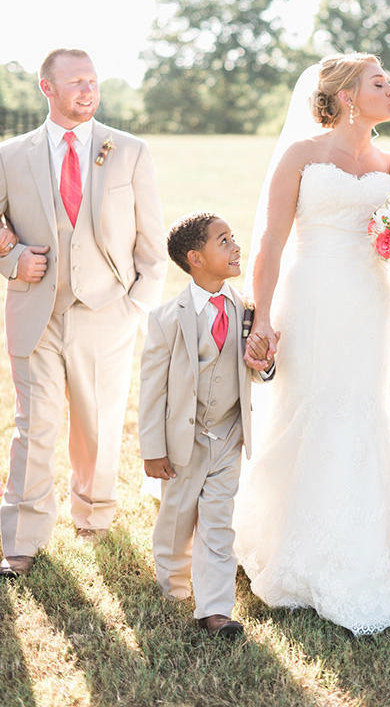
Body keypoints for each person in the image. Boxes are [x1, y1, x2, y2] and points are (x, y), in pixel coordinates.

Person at [233, 53, 390, 636]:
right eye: (379, 82)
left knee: (360, 407)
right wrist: (261, 317)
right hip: (311, 296)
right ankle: (291, 539)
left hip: (369, 303)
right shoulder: (301, 154)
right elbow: (270, 240)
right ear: (347, 96)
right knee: (309, 406)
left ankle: (359, 543)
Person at [0, 48, 167, 579]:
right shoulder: (10, 155)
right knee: (35, 425)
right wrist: (11, 259)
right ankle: (20, 538)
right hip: (36, 310)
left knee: (97, 423)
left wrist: (134, 307)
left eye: (92, 80)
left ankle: (93, 515)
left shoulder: (129, 150)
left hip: (106, 310)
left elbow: (152, 242)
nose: (87, 90)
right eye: (75, 82)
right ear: (47, 88)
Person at [138, 212, 275, 637]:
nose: (236, 247)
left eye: (233, 237)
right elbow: (152, 390)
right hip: (184, 438)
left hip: (229, 433)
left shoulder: (246, 309)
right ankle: (173, 587)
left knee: (218, 521)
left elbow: (257, 368)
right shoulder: (165, 318)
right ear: (195, 258)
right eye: (224, 241)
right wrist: (153, 450)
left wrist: (264, 363)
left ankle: (215, 609)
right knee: (176, 520)